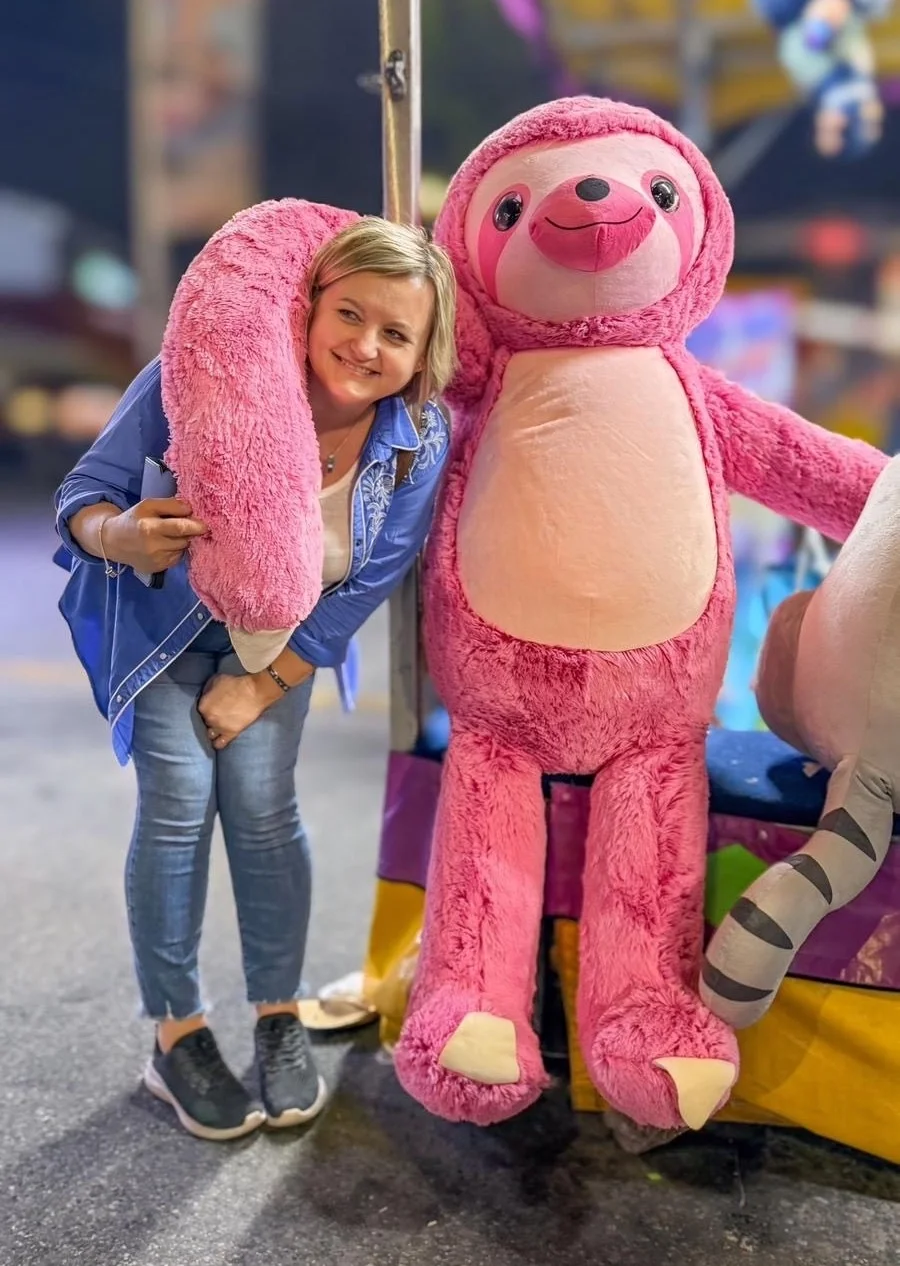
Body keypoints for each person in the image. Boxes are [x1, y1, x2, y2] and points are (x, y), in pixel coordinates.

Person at [53, 216, 456, 1141]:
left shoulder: (417, 437)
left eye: (396, 333)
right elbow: (81, 495)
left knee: (265, 810)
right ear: (308, 305)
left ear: (423, 351)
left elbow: (371, 577)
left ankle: (279, 1016)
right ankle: (177, 1036)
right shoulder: (197, 377)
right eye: (349, 314)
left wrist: (263, 685)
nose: (365, 345)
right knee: (178, 807)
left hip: (280, 645)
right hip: (162, 635)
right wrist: (119, 535)